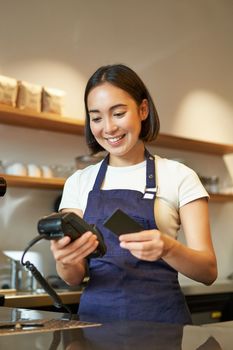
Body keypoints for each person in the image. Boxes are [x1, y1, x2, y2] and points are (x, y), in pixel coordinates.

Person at [50, 64, 217, 324]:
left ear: (142, 110)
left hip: (162, 325)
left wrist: (168, 247)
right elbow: (73, 276)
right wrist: (64, 260)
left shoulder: (180, 176)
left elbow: (208, 271)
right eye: (96, 118)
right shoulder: (79, 182)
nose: (108, 128)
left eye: (118, 113)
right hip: (95, 326)